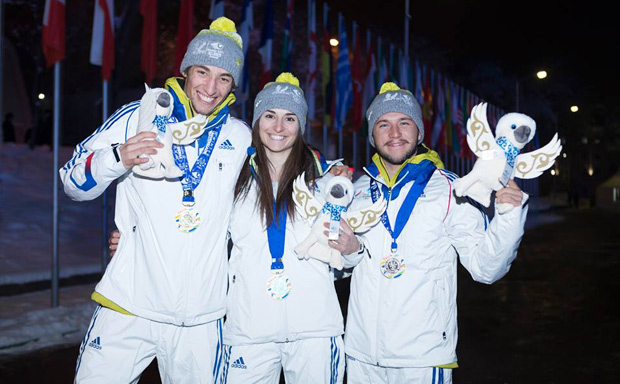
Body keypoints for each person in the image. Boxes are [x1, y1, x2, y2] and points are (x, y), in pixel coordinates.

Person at [60, 17, 251, 383]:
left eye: (223, 78)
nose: (210, 87)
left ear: (232, 85)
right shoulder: (139, 115)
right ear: (185, 72)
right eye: (202, 72)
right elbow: (72, 180)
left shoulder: (239, 136)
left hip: (200, 318)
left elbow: (277, 185)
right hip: (129, 306)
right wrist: (117, 157)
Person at [331, 82, 528, 383]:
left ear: (419, 132)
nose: (394, 133)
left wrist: (508, 217)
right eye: (384, 124)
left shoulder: (452, 190)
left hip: (422, 359)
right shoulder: (357, 191)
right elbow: (343, 268)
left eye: (404, 123)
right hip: (361, 357)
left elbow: (486, 268)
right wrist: (348, 252)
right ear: (372, 136)